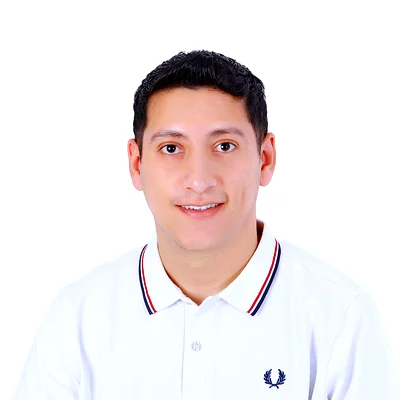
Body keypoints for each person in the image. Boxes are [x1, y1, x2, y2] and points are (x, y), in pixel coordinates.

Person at [13, 50, 400, 399]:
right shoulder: (78, 317)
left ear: (265, 158)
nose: (199, 180)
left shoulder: (341, 318)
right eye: (171, 148)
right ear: (137, 164)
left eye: (224, 146)